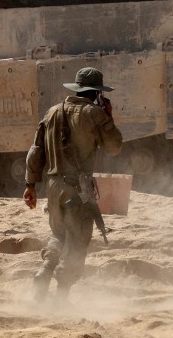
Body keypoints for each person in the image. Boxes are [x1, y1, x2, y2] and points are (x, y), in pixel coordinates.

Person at [23, 67, 123, 300]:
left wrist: (30, 185)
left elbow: (35, 152)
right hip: (78, 190)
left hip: (53, 188)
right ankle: (62, 296)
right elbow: (114, 148)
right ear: (97, 93)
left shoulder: (51, 112)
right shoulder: (94, 114)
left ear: (77, 89)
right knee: (78, 242)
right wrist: (109, 116)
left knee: (59, 234)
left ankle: (44, 271)